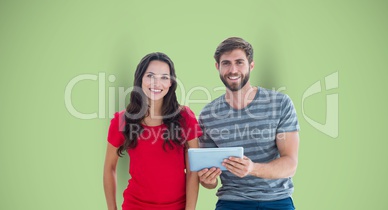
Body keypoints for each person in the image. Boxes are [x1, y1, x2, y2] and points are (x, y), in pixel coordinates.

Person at [197, 37, 300, 210]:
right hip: (231, 202)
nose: (233, 70)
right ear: (218, 67)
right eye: (226, 63)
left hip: (277, 200)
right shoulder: (208, 115)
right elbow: (210, 181)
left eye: (239, 62)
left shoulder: (280, 103)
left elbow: (290, 164)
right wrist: (208, 180)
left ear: (251, 65)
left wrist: (252, 168)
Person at [103, 52, 202, 210]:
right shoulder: (122, 120)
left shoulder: (185, 117)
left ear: (171, 83)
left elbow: (193, 170)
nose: (157, 83)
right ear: (140, 79)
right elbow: (109, 168)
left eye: (164, 77)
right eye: (150, 75)